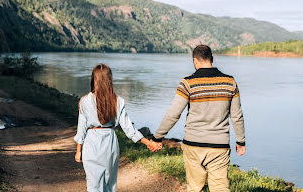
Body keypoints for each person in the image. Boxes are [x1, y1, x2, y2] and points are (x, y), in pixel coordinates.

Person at [151, 45, 246, 192]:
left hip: (193, 145)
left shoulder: (187, 83)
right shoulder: (230, 82)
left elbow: (173, 114)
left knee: (195, 188)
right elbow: (236, 116)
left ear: (195, 61)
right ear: (212, 59)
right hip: (219, 146)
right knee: (220, 188)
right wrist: (240, 140)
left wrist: (158, 137)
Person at [74, 63, 161, 192]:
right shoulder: (118, 101)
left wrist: (78, 151)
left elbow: (81, 129)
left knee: (93, 184)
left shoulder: (84, 101)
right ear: (110, 79)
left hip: (91, 143)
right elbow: (128, 129)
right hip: (110, 143)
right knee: (110, 184)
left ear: (94, 79)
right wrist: (149, 143)